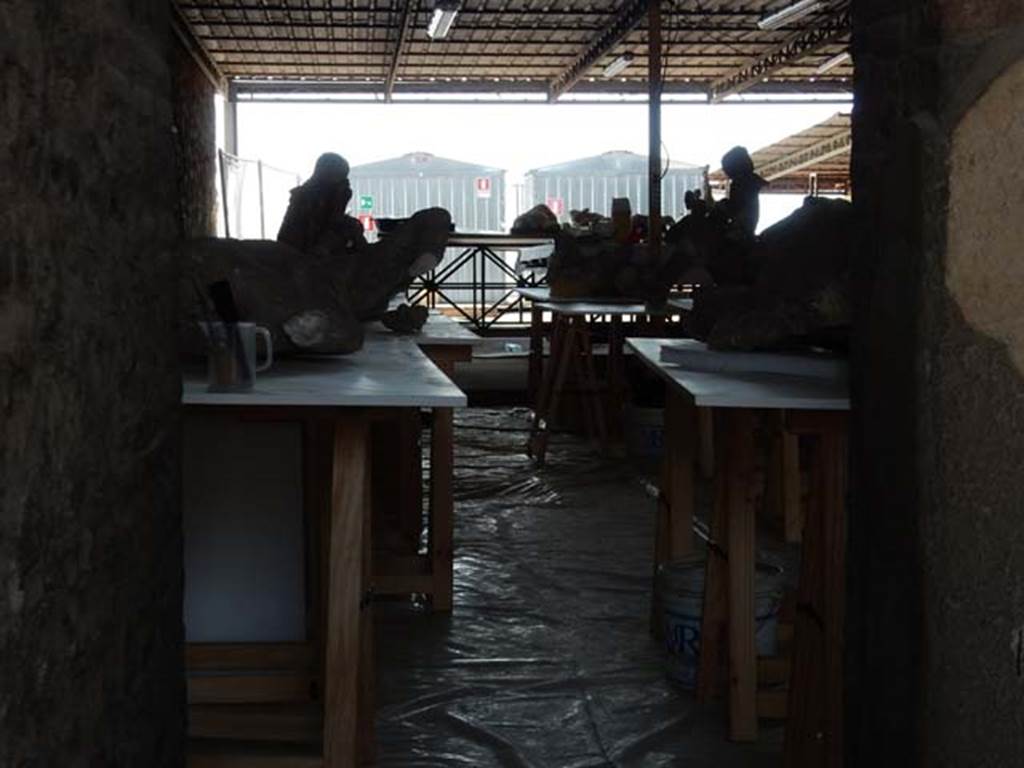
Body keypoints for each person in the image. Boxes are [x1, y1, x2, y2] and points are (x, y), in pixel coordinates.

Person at [277, 152, 366, 256]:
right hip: (302, 258)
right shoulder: (307, 198)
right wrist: (339, 205)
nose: (345, 183)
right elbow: (320, 240)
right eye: (340, 178)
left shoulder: (318, 195)